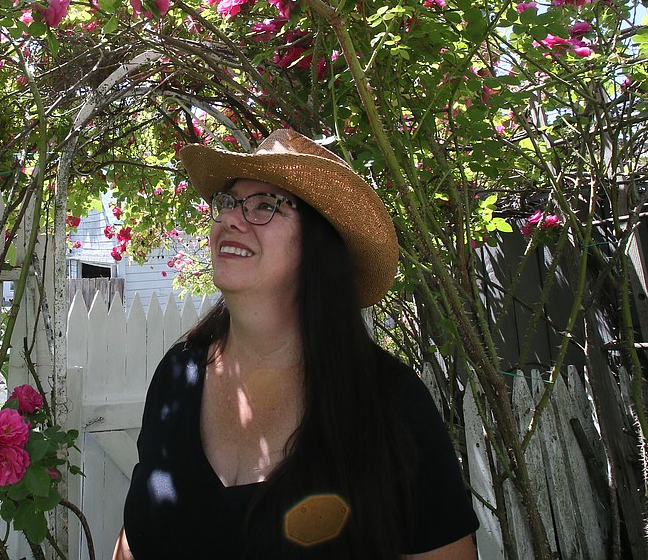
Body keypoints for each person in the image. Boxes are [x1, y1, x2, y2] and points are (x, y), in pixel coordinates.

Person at [114, 129, 479, 560]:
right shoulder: (178, 376)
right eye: (228, 202)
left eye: (265, 206)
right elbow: (135, 539)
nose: (231, 218)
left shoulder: (390, 404)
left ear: (317, 246)